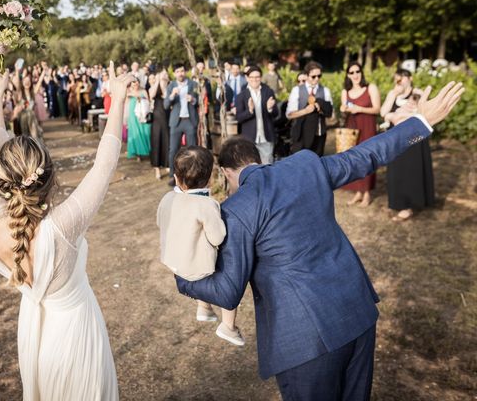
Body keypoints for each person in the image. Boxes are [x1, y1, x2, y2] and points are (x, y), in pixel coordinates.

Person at [176, 81, 464, 401]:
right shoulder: (305, 164)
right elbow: (365, 155)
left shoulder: (235, 210)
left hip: (306, 342)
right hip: (358, 313)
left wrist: (182, 277)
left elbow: (228, 292)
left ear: (228, 172)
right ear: (257, 158)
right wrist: (419, 122)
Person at [0, 62, 132, 401]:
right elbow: (104, 163)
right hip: (77, 332)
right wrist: (119, 97)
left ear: (0, 181)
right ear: (48, 175)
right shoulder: (63, 226)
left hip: (33, 336)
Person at [157, 146, 244, 346]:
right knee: (231, 272)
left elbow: (159, 222)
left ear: (177, 178)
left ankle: (204, 308)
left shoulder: (167, 198)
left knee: (193, 250)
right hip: (198, 269)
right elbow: (218, 238)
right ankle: (228, 327)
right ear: (209, 180)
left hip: (174, 263)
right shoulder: (207, 205)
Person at [380, 69, 435, 221]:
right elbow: (383, 111)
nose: (399, 82)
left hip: (413, 138)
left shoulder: (416, 94)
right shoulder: (394, 95)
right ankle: (400, 203)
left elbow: (421, 114)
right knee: (397, 170)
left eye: (402, 79)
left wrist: (395, 116)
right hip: (396, 139)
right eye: (397, 79)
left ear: (409, 79)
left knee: (411, 169)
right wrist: (392, 95)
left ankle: (411, 204)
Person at [340, 62, 381, 207]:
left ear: (361, 72)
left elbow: (377, 109)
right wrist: (343, 108)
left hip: (368, 127)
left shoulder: (370, 88)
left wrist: (359, 109)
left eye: (357, 71)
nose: (355, 75)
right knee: (354, 160)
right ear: (348, 75)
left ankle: (367, 194)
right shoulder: (346, 92)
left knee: (367, 159)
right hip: (352, 129)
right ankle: (358, 191)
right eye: (351, 72)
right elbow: (344, 110)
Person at [286, 61, 333, 156]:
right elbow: (289, 115)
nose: (316, 79)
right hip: (301, 134)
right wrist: (306, 111)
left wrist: (321, 109)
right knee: (300, 164)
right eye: (313, 76)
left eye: (319, 76)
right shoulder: (297, 90)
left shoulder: (325, 91)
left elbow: (331, 115)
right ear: (306, 75)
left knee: (316, 164)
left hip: (319, 134)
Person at [164, 63, 199, 186]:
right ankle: (174, 176)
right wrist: (172, 95)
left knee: (192, 149)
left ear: (185, 72)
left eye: (182, 71)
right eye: (178, 71)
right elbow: (166, 105)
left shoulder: (193, 84)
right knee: (173, 150)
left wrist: (193, 100)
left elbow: (200, 100)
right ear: (174, 73)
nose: (180, 73)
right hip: (176, 121)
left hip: (190, 120)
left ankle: (193, 175)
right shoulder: (171, 86)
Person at [235, 66, 278, 165]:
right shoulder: (241, 95)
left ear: (261, 77)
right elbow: (239, 118)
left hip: (266, 137)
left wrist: (269, 108)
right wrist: (249, 110)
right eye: (252, 77)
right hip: (249, 138)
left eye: (257, 77)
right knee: (251, 166)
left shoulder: (268, 91)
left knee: (267, 166)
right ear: (247, 78)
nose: (255, 79)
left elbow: (276, 114)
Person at [148, 71, 170, 179]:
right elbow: (151, 95)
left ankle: (167, 164)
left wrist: (162, 82)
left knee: (166, 141)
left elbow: (165, 95)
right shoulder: (152, 87)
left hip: (166, 117)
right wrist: (157, 81)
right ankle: (157, 168)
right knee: (156, 141)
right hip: (156, 118)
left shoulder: (168, 87)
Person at [125, 77, 151, 160]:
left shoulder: (143, 91)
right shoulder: (128, 92)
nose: (135, 84)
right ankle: (138, 153)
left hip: (143, 114)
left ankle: (148, 151)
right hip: (133, 114)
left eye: (137, 82)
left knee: (145, 131)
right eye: (133, 82)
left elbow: (148, 101)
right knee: (135, 132)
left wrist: (138, 96)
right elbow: (125, 103)